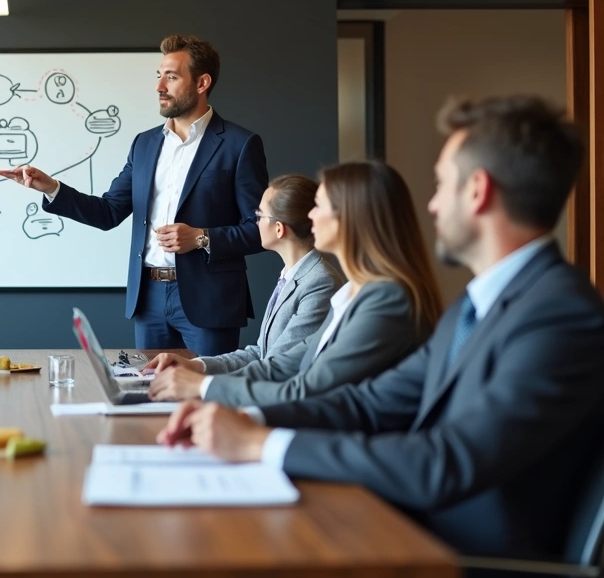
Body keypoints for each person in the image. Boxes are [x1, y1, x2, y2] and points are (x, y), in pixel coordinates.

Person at [158, 95, 604, 560]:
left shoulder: (560, 317)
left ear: (477, 191)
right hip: (410, 530)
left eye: (440, 184)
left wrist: (263, 443)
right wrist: (244, 419)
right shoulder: (475, 307)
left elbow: (445, 462)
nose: (431, 205)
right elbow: (368, 404)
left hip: (461, 557)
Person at [0, 34, 268, 355]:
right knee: (150, 397)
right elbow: (109, 212)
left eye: (172, 76)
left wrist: (201, 238)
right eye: (159, 76)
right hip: (148, 299)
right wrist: (51, 188)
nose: (159, 87)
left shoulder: (239, 144)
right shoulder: (144, 144)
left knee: (205, 396)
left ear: (202, 83)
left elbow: (261, 230)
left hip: (210, 300)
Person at [147, 162, 442, 406]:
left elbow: (304, 388)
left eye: (320, 205)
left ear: (351, 218)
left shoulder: (382, 298)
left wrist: (203, 387)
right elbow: (277, 362)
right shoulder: (354, 294)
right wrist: (198, 370)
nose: (310, 215)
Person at [149, 174, 342, 376]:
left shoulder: (320, 283)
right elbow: (260, 354)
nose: (254, 223)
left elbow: (276, 368)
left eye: (259, 216)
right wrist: (195, 365)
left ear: (278, 229)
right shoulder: (290, 276)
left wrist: (200, 385)